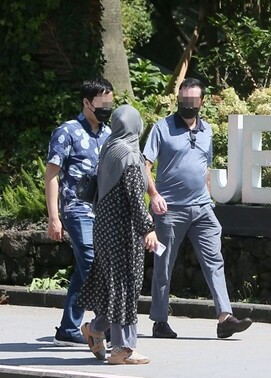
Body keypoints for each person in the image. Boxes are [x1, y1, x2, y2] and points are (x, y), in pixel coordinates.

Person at [144, 77, 252, 339]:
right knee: (164, 266)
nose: (187, 104)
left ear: (201, 102)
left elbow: (205, 167)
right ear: (178, 99)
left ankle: (225, 317)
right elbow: (144, 166)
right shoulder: (162, 128)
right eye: (183, 100)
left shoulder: (207, 131)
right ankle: (160, 321)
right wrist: (154, 195)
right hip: (169, 210)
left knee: (214, 260)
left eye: (192, 101)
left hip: (202, 208)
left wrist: (209, 197)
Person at [78, 104, 157, 365]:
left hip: (103, 227)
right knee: (126, 287)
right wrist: (149, 229)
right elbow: (135, 198)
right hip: (123, 231)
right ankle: (123, 348)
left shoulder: (109, 147)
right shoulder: (131, 155)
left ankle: (96, 328)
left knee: (114, 286)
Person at [45, 78, 113, 346]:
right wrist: (54, 216)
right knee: (92, 265)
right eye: (102, 103)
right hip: (76, 210)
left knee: (81, 272)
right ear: (86, 103)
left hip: (102, 212)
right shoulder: (67, 132)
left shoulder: (109, 134)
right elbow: (51, 175)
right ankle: (105, 325)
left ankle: (68, 329)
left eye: (110, 102)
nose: (107, 107)